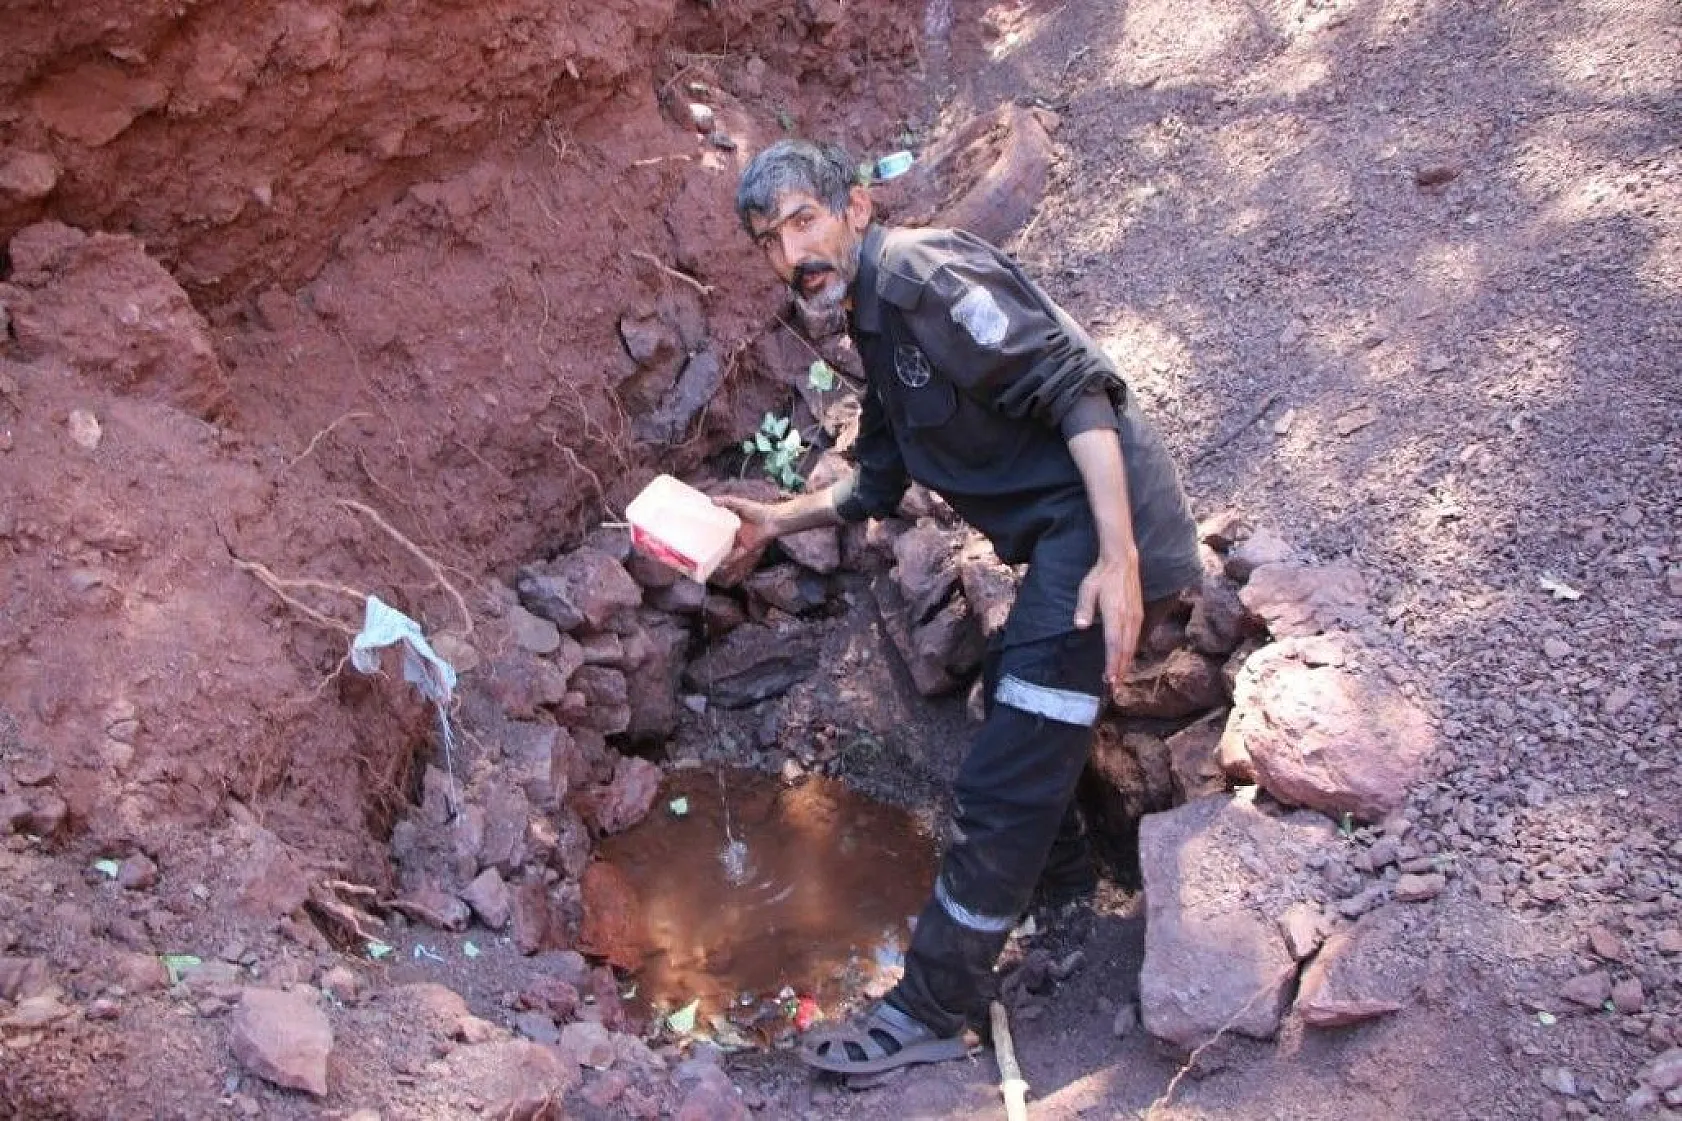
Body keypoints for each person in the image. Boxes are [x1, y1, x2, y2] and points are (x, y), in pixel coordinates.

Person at [717, 139, 1201, 1078]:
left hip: (1096, 532)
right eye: (768, 241)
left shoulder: (922, 275)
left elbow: (1078, 385)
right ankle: (1061, 898)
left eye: (803, 221)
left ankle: (931, 1006)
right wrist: (774, 520)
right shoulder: (872, 322)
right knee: (1010, 706)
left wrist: (1118, 553)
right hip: (1071, 536)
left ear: (855, 207)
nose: (790, 255)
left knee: (1003, 775)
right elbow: (880, 475)